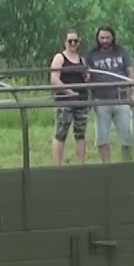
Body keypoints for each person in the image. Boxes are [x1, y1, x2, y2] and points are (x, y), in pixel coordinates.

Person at [85, 25, 134, 162]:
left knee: (127, 135)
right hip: (101, 100)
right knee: (102, 137)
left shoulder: (121, 52)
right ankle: (107, 166)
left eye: (107, 37)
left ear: (112, 37)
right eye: (102, 38)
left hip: (121, 98)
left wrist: (133, 91)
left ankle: (127, 163)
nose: (105, 40)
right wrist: (90, 98)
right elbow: (86, 77)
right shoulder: (91, 55)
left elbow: (130, 71)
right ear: (97, 38)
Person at [49, 28, 90, 165]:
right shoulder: (59, 57)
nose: (73, 43)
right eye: (70, 41)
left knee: (80, 134)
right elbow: (54, 79)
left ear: (79, 42)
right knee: (60, 134)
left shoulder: (81, 59)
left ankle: (80, 165)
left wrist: (87, 77)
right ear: (65, 42)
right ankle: (57, 165)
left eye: (75, 41)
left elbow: (86, 78)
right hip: (64, 101)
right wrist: (68, 92)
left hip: (81, 101)